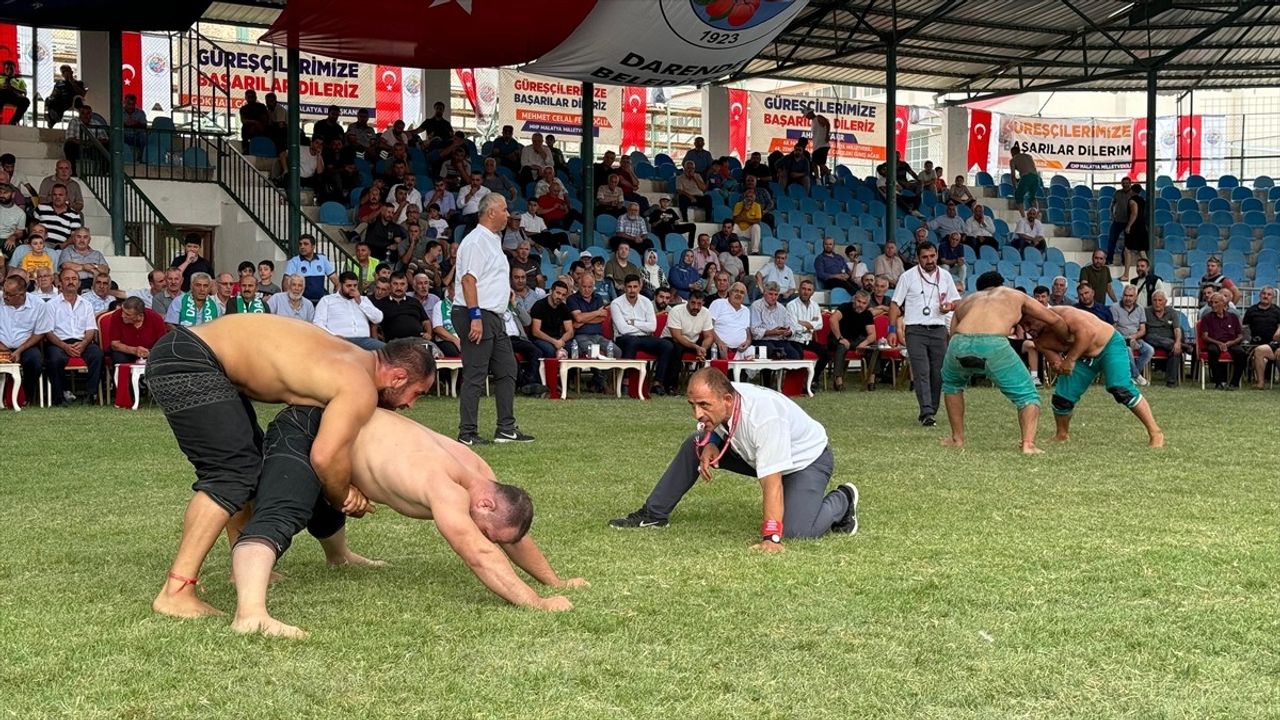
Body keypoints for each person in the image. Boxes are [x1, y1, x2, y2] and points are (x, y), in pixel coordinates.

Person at [144, 314, 437, 619]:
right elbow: (325, 457)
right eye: (417, 393)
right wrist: (344, 497)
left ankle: (239, 568)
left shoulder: (349, 355)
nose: (411, 405)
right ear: (398, 377)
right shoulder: (358, 383)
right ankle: (176, 592)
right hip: (191, 358)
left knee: (250, 463)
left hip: (190, 353)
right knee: (231, 474)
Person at [230, 407, 583, 638]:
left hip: (341, 435)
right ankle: (250, 612)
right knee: (279, 509)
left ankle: (339, 555)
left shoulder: (481, 475)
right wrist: (536, 603)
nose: (487, 538)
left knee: (325, 498)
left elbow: (509, 534)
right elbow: (478, 553)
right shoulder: (445, 488)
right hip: (308, 426)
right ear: (487, 503)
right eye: (487, 532)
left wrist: (554, 581)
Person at [608, 368, 859, 549]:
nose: (697, 414)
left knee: (797, 532)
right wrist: (711, 443)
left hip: (807, 461)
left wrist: (771, 538)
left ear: (727, 400)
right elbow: (718, 425)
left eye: (704, 405)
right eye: (692, 405)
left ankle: (844, 498)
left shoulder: (764, 417)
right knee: (693, 444)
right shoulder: (727, 398)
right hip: (757, 454)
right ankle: (653, 515)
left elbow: (772, 482)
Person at [941, 272, 1071, 454]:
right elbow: (1054, 319)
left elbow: (953, 333)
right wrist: (1066, 340)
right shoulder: (1013, 294)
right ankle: (1028, 444)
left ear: (981, 289)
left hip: (958, 343)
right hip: (992, 343)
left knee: (952, 385)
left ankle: (957, 439)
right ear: (1002, 284)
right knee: (1028, 396)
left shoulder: (967, 300)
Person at [453, 193, 533, 445]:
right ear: (491, 213)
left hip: (494, 315)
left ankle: (506, 428)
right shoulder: (476, 241)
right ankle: (467, 433)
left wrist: (503, 291)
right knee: (476, 373)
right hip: (477, 314)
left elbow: (486, 277)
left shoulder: (492, 240)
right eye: (505, 210)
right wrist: (474, 316)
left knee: (507, 368)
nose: (509, 215)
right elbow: (468, 280)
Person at [1024, 305, 1164, 447]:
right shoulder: (1040, 340)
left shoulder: (1065, 314)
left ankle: (1155, 433)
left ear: (1040, 315)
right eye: (1023, 326)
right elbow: (1055, 361)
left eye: (1029, 323)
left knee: (1122, 389)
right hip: (1082, 356)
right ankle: (1062, 434)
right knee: (1062, 398)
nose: (1027, 329)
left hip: (1109, 345)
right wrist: (1058, 366)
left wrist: (1070, 360)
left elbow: (1087, 333)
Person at [889, 241, 960, 427]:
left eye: (932, 256)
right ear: (917, 258)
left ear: (937, 255)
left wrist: (949, 307)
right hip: (915, 330)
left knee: (938, 373)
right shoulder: (908, 277)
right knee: (922, 371)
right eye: (925, 257)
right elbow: (895, 304)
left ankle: (932, 409)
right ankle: (926, 412)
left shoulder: (945, 276)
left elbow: (957, 301)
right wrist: (891, 330)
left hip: (938, 330)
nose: (929, 260)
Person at [45, 268, 105, 406]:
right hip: (59, 342)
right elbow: (48, 332)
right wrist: (64, 346)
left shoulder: (87, 304)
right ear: (60, 283)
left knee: (97, 354)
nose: (71, 282)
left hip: (82, 341)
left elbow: (91, 329)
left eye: (74, 279)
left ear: (79, 283)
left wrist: (84, 343)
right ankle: (59, 397)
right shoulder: (51, 305)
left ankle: (91, 395)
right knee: (54, 358)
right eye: (67, 279)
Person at [611, 274, 671, 393]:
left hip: (645, 337)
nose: (632, 290)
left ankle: (657, 383)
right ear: (624, 287)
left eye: (635, 286)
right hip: (623, 338)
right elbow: (623, 329)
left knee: (667, 345)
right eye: (629, 287)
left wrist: (632, 322)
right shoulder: (616, 303)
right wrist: (643, 326)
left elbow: (652, 327)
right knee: (632, 341)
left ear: (639, 287)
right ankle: (626, 382)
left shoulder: (646, 301)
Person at [0, 274, 52, 402]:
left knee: (34, 361)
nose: (5, 296)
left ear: (21, 294)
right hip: (1, 344)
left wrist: (19, 351)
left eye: (9, 294)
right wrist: (3, 348)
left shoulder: (38, 305)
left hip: (25, 345)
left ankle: (25, 397)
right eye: (4, 291)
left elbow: (39, 333)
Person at [827, 290, 878, 392]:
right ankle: (838, 381)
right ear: (854, 300)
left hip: (855, 340)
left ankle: (871, 380)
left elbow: (873, 335)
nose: (860, 305)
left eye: (864, 303)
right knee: (841, 346)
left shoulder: (867, 314)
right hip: (838, 338)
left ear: (867, 304)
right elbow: (833, 319)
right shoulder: (845, 307)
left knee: (873, 345)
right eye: (859, 301)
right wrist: (840, 338)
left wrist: (864, 343)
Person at [1199, 291, 1246, 390]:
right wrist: (1219, 343)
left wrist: (1230, 343)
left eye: (1216, 302)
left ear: (1223, 304)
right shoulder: (1206, 318)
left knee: (1241, 353)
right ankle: (1218, 382)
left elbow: (1240, 336)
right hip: (1214, 342)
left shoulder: (1233, 317)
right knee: (1213, 351)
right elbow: (1205, 336)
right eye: (1212, 303)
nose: (1213, 305)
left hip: (1231, 342)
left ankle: (1234, 383)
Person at [102, 296, 168, 364]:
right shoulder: (117, 315)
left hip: (149, 352)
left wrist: (150, 352)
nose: (122, 315)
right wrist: (134, 350)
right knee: (119, 357)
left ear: (140, 316)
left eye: (127, 314)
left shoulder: (155, 318)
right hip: (124, 351)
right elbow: (115, 344)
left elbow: (164, 344)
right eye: (123, 311)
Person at [1143, 290, 1185, 387]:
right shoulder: (1145, 311)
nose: (1157, 303)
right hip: (1152, 340)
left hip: (1168, 340)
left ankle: (1171, 382)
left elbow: (1177, 329)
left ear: (1165, 302)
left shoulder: (1172, 312)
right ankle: (1183, 346)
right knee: (1151, 336)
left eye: (1160, 300)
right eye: (1155, 300)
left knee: (1175, 349)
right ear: (1151, 301)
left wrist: (1178, 342)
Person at [1113, 284, 1152, 385]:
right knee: (1128, 349)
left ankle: (1131, 376)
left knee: (1149, 350)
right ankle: (1137, 376)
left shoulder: (1140, 309)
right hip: (1120, 339)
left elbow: (1143, 330)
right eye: (1126, 295)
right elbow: (1114, 328)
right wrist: (1126, 339)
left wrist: (1133, 337)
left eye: (1131, 296)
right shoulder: (1115, 307)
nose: (1128, 298)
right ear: (1122, 296)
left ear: (1136, 297)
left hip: (1135, 338)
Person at [1243, 286, 1280, 389]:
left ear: (1272, 297)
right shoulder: (1251, 311)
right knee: (1259, 351)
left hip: (1274, 344)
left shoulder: (1277, 311)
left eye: (1269, 294)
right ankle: (1260, 383)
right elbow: (1245, 328)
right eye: (1264, 294)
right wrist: (1247, 341)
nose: (1266, 296)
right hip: (1254, 343)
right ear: (1259, 295)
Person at [1105, 177, 1134, 266]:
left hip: (1128, 222)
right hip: (1117, 221)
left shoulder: (1133, 195)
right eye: (1123, 183)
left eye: (1127, 183)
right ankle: (1109, 259)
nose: (1125, 184)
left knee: (1127, 243)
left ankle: (1124, 260)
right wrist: (1112, 215)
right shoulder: (1117, 193)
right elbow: (1112, 205)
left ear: (1130, 184)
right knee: (1112, 240)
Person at [1009, 142, 1042, 215]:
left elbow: (1013, 176)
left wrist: (1015, 188)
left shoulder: (1013, 160)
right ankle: (1036, 214)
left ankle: (1023, 216)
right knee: (1032, 197)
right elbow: (1029, 168)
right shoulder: (1028, 156)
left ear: (1012, 153)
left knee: (1018, 196)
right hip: (1036, 177)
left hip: (1026, 177)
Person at [804, 108, 832, 183]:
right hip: (817, 146)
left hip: (822, 145)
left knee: (818, 163)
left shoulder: (818, 118)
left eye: (807, 115)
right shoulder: (813, 122)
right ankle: (821, 178)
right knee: (817, 163)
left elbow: (827, 123)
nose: (807, 117)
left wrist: (827, 135)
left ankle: (827, 176)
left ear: (810, 113)